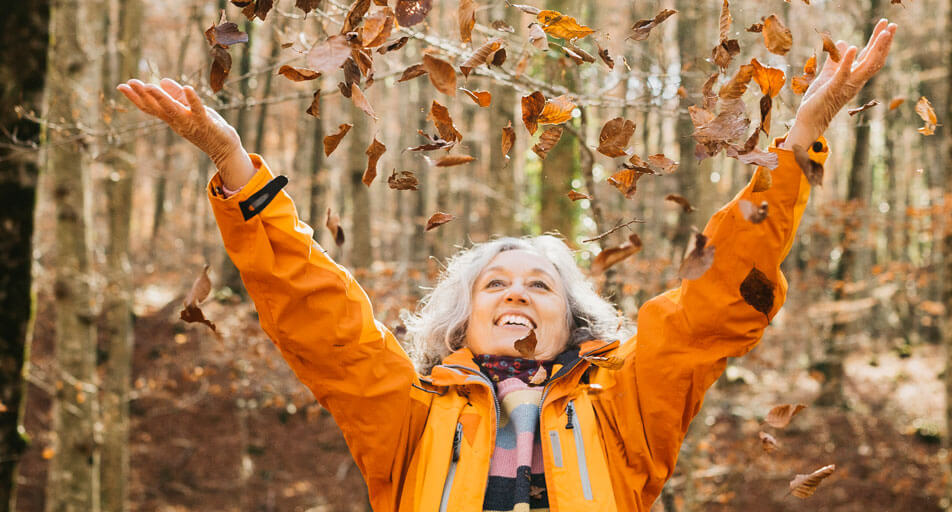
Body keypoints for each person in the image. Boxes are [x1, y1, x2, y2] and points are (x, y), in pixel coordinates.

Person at [118, 20, 896, 512]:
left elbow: (720, 295)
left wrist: (802, 137)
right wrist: (234, 164)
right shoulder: (410, 413)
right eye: (495, 283)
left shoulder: (626, 401)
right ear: (463, 323)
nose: (516, 293)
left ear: (572, 321)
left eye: (539, 284)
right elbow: (318, 316)